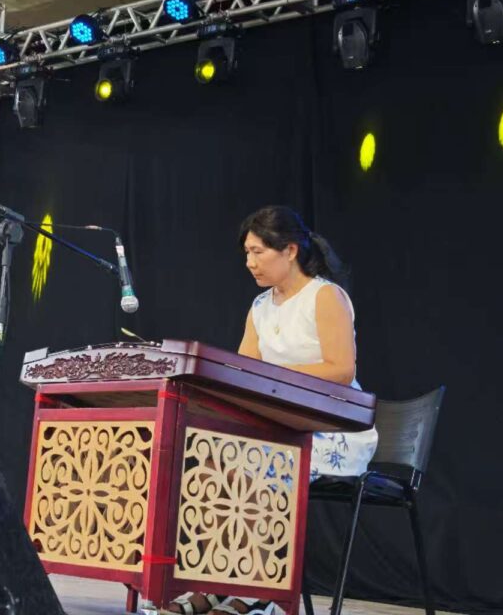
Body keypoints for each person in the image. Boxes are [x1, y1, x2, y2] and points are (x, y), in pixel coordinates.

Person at [160, 206, 378, 615]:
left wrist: (276, 374)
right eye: (247, 253)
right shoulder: (260, 306)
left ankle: (256, 593)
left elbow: (341, 368)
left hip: (334, 427)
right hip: (281, 425)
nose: (249, 262)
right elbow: (245, 374)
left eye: (258, 252)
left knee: (262, 464)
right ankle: (210, 585)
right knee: (212, 462)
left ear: (290, 250)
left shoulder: (324, 296)